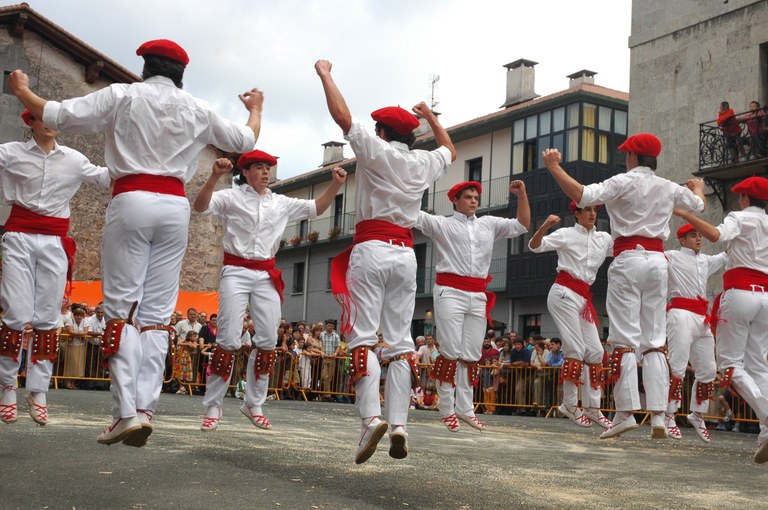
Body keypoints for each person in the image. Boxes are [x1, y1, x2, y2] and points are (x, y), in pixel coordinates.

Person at [8, 38, 263, 446]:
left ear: (145, 67)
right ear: (181, 74)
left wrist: (21, 90)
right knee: (158, 315)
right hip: (175, 207)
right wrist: (255, 109)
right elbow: (246, 141)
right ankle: (146, 407)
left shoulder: (122, 95)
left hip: (133, 198)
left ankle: (125, 411)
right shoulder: (197, 107)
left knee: (121, 308)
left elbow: (57, 113)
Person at [316, 58, 455, 463]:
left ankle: (370, 419)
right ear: (408, 136)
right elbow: (449, 148)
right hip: (405, 255)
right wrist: (429, 116)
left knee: (361, 336)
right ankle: (399, 425)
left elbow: (342, 117)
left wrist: (326, 74)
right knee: (400, 343)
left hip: (372, 248)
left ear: (381, 131)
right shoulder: (423, 161)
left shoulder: (374, 149)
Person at [542, 133, 706, 439]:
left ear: (632, 157)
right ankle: (658, 415)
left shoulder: (622, 181)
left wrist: (554, 167)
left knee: (624, 339)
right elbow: (698, 205)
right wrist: (697, 187)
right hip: (658, 261)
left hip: (629, 257)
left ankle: (625, 412)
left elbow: (582, 195)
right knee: (654, 340)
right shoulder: (667, 186)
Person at [194, 153, 346, 431]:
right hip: (236, 269)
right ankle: (213, 406)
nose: (265, 173)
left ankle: (253, 404)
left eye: (268, 168)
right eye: (259, 168)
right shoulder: (231, 196)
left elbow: (317, 208)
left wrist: (335, 185)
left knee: (266, 340)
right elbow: (201, 206)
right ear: (247, 172)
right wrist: (214, 177)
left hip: (266, 272)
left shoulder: (280, 201)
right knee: (227, 338)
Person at [0, 109, 109, 426]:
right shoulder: (11, 152)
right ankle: (7, 385)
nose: (48, 123)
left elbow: (105, 177)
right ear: (29, 122)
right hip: (18, 235)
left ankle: (38, 390)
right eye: (39, 116)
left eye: (52, 117)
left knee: (47, 318)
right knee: (17, 314)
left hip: (54, 240)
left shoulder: (74, 159)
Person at [415, 180, 529, 432]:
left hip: (477, 294)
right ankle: (446, 409)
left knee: (471, 354)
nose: (474, 200)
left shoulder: (488, 223)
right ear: (455, 200)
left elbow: (521, 225)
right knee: (450, 351)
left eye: (476, 196)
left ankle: (465, 409)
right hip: (450, 290)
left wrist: (522, 194)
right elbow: (413, 214)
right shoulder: (442, 223)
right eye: (468, 196)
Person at [673, 176, 768, 463]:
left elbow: (715, 235)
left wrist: (686, 214)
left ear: (745, 199)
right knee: (759, 365)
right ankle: (764, 432)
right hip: (765, 294)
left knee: (729, 365)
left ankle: (766, 416)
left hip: (740, 293)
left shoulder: (740, 217)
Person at [528, 202, 613, 431]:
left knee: (596, 351)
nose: (592, 214)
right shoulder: (566, 234)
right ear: (576, 213)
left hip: (583, 298)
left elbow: (624, 249)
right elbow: (534, 246)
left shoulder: (604, 238)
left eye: (595, 210)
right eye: (587, 210)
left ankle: (593, 408)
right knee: (575, 348)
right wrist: (544, 225)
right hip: (564, 293)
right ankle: (569, 404)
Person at [663, 224, 727, 443]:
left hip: (702, 318)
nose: (698, 239)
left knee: (709, 369)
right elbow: (650, 256)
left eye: (699, 235)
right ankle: (668, 415)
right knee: (678, 367)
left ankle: (697, 414)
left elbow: (727, 256)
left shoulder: (705, 260)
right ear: (682, 240)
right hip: (681, 313)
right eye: (693, 236)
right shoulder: (671, 256)